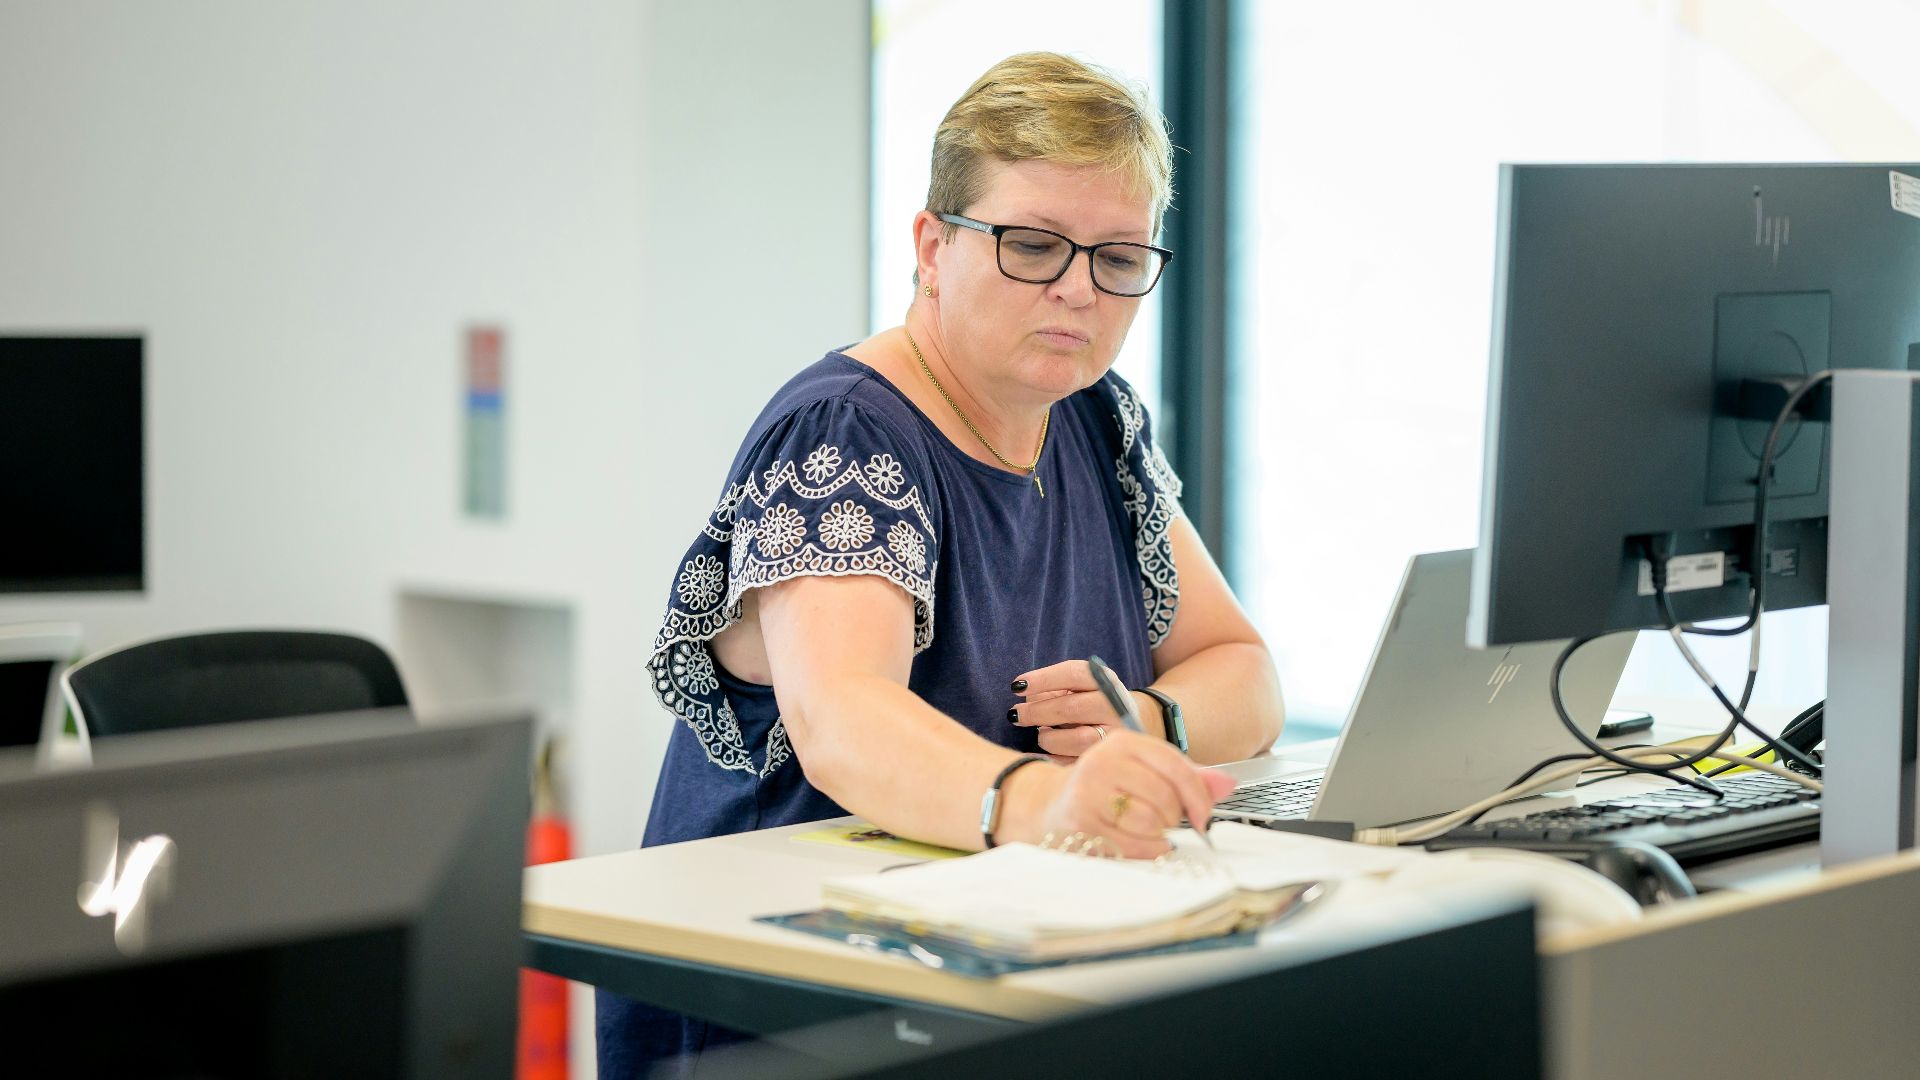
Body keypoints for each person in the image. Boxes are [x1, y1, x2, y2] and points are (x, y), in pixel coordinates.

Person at [600, 51, 1286, 1075]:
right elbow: (843, 721)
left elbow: (1243, 665)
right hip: (786, 998)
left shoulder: (1094, 421)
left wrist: (1147, 724)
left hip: (989, 960)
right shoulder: (847, 433)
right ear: (931, 245)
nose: (1078, 291)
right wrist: (1043, 804)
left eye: (1118, 257)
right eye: (1032, 245)